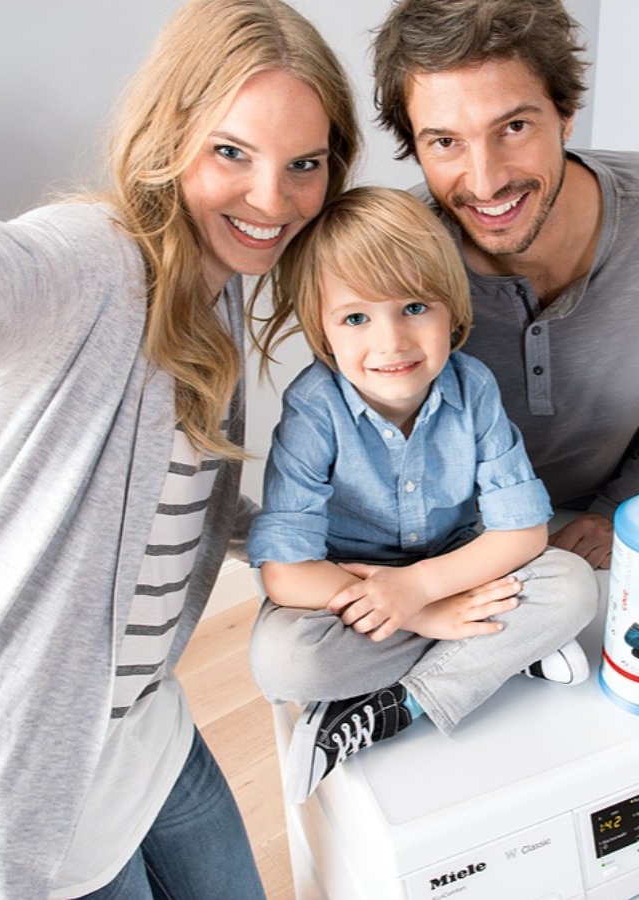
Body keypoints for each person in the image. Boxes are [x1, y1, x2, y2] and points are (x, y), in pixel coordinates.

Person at [0, 0, 359, 895]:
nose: (272, 200)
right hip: (15, 773)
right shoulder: (82, 267)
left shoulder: (216, 285)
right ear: (172, 133)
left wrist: (308, 543)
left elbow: (181, 506)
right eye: (232, 152)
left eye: (304, 165)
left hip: (143, 730)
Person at [371, 0, 639, 569]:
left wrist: (624, 504)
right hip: (443, 531)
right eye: (445, 142)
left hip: (610, 511)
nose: (485, 182)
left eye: (514, 127)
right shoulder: (389, 255)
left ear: (566, 112)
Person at [246, 186, 598, 805]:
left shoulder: (472, 386)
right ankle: (501, 650)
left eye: (414, 307)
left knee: (572, 584)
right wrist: (419, 611)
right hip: (351, 586)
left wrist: (423, 585)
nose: (392, 343)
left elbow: (522, 533)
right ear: (323, 330)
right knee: (286, 662)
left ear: (452, 311)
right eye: (356, 318)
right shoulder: (313, 408)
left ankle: (400, 703)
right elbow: (286, 573)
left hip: (457, 565)